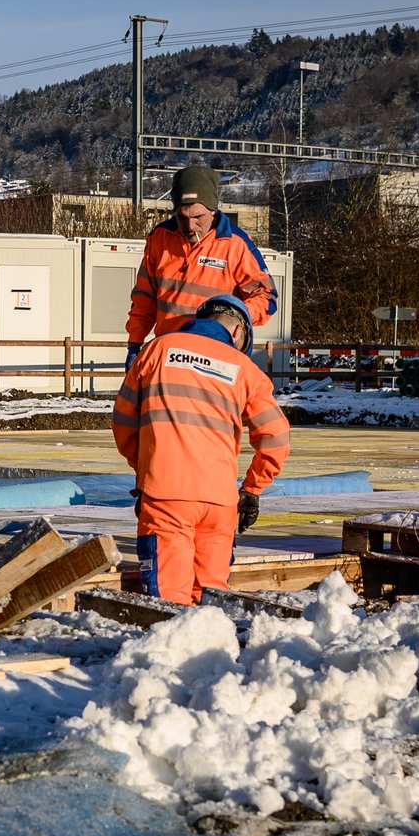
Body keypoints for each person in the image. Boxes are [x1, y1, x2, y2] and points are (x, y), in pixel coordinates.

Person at [113, 294, 289, 605]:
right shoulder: (244, 369)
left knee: (168, 600)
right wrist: (252, 488)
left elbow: (124, 422)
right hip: (220, 502)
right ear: (237, 332)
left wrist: (146, 470)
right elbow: (276, 435)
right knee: (212, 597)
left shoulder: (158, 349)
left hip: (166, 495)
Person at [124, 166, 276, 373]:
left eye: (198, 217)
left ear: (213, 210)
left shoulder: (236, 244)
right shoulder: (159, 239)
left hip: (217, 357)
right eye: (182, 217)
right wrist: (134, 344)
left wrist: (233, 315)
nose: (190, 226)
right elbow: (144, 298)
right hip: (170, 353)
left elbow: (266, 297)